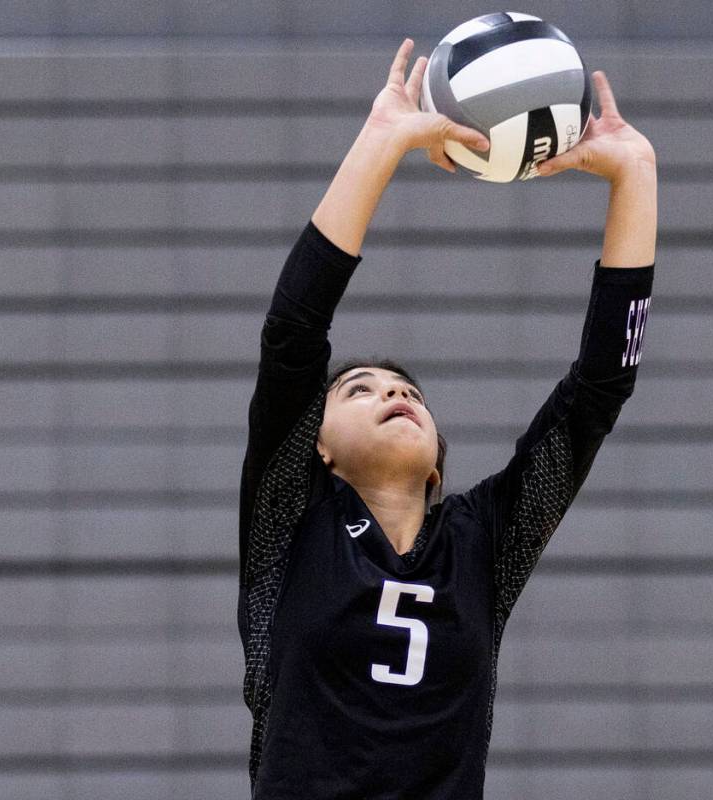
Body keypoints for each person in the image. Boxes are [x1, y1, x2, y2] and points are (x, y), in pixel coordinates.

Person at [238, 39, 656, 799]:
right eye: (357, 391)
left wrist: (635, 176)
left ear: (436, 460)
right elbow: (292, 335)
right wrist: (382, 141)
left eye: (407, 392)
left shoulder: (482, 545)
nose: (392, 394)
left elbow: (599, 388)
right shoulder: (290, 522)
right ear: (318, 450)